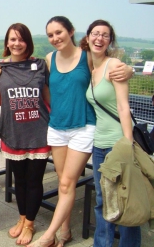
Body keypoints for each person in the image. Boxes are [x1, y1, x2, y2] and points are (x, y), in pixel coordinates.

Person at [29, 16, 133, 247]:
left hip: (83, 127)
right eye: (51, 34)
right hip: (57, 128)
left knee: (67, 183)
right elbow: (47, 90)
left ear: (71, 31)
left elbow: (108, 68)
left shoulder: (87, 57)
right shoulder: (49, 58)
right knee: (63, 181)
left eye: (59, 32)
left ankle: (48, 236)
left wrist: (129, 70)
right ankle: (64, 231)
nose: (55, 38)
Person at [0, 23, 51, 246]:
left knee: (34, 181)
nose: (16, 43)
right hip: (13, 133)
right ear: (7, 42)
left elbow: (48, 98)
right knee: (20, 181)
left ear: (28, 42)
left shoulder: (40, 65)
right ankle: (22, 218)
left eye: (21, 39)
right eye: (12, 39)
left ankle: (30, 224)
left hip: (38, 133)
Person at [82, 19, 141, 247]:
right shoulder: (92, 67)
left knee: (125, 200)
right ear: (87, 37)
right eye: (95, 34)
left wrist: (127, 144)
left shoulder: (114, 65)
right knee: (102, 200)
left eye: (105, 35)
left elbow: (124, 107)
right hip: (99, 145)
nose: (99, 38)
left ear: (110, 40)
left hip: (118, 144)